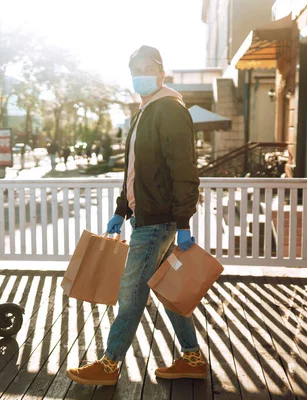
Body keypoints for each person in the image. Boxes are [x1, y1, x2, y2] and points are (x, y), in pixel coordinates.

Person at [66, 45, 203, 386]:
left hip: (158, 220)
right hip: (145, 216)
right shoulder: (146, 110)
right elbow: (136, 170)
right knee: (167, 287)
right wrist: (121, 209)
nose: (140, 74)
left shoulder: (168, 109)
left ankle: (109, 365)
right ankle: (192, 357)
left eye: (147, 67)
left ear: (161, 72)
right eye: (135, 69)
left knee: (131, 293)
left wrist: (184, 222)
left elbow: (184, 170)